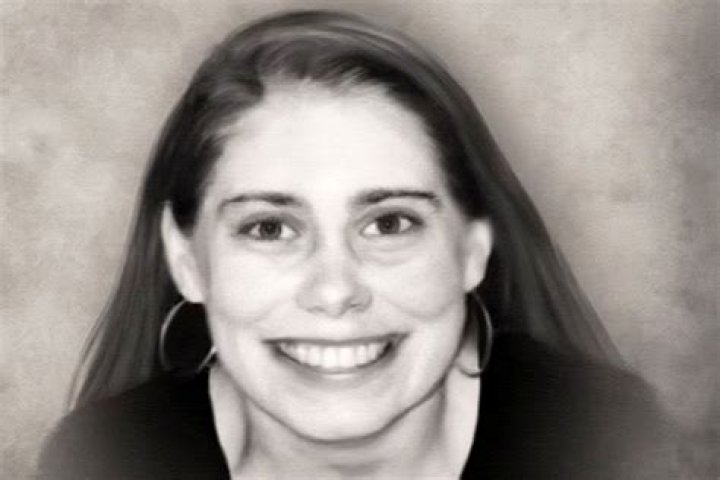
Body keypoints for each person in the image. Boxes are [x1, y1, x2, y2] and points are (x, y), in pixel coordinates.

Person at [38, 10, 679, 479]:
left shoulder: (607, 446)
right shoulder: (102, 461)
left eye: (390, 223)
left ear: (473, 250)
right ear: (186, 261)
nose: (335, 291)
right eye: (269, 228)